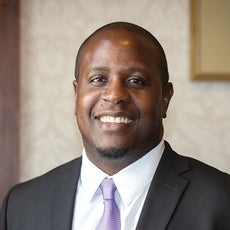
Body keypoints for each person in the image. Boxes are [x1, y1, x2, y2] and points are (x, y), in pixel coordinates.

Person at [1, 21, 230, 230]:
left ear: (165, 99)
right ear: (76, 94)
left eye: (135, 81)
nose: (114, 95)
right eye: (98, 79)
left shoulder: (221, 200)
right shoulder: (21, 206)